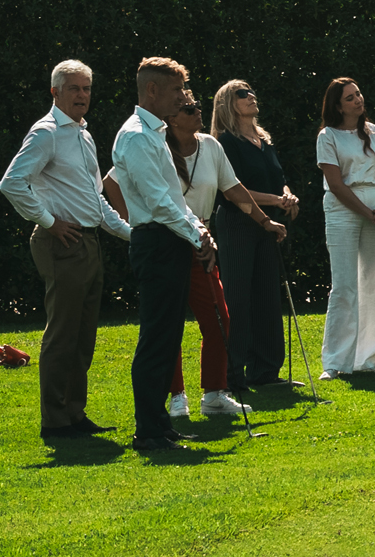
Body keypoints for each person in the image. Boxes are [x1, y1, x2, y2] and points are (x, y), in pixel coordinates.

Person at [0, 59, 134, 439]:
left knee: (83, 335)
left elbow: (96, 200)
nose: (82, 95)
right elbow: (11, 183)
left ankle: (75, 413)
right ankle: (55, 421)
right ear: (55, 92)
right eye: (74, 88)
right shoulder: (46, 133)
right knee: (63, 334)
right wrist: (49, 221)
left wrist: (132, 235)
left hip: (87, 241)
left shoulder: (83, 135)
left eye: (86, 88)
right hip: (62, 242)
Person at [160, 88, 286, 416]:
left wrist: (265, 221)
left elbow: (233, 188)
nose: (198, 111)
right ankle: (176, 396)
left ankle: (214, 393)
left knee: (219, 319)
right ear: (172, 118)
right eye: (189, 109)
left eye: (197, 106)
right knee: (169, 324)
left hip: (202, 241)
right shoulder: (154, 146)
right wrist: (132, 228)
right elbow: (114, 183)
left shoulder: (211, 145)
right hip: (165, 240)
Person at [111, 56, 215, 450]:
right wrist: (197, 236)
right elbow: (158, 202)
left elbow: (173, 198)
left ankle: (159, 424)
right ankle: (148, 430)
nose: (183, 97)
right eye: (176, 90)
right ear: (152, 90)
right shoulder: (137, 136)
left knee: (169, 336)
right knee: (156, 338)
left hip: (169, 239)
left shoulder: (153, 132)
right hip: (156, 242)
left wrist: (198, 231)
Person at [210, 79, 301, 391]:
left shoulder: (264, 140)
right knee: (238, 299)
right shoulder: (226, 142)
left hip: (267, 224)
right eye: (242, 94)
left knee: (267, 296)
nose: (251, 96)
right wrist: (275, 201)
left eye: (251, 91)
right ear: (227, 104)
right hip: (238, 223)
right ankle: (233, 375)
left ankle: (265, 371)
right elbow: (233, 189)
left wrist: (287, 195)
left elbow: (279, 178)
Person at [317, 78, 375, 378]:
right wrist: (369, 213)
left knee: (374, 282)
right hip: (342, 211)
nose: (358, 100)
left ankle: (368, 358)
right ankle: (336, 362)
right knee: (345, 285)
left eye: (358, 94)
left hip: (374, 207)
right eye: (350, 98)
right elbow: (336, 185)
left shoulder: (374, 131)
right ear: (338, 106)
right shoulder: (327, 136)